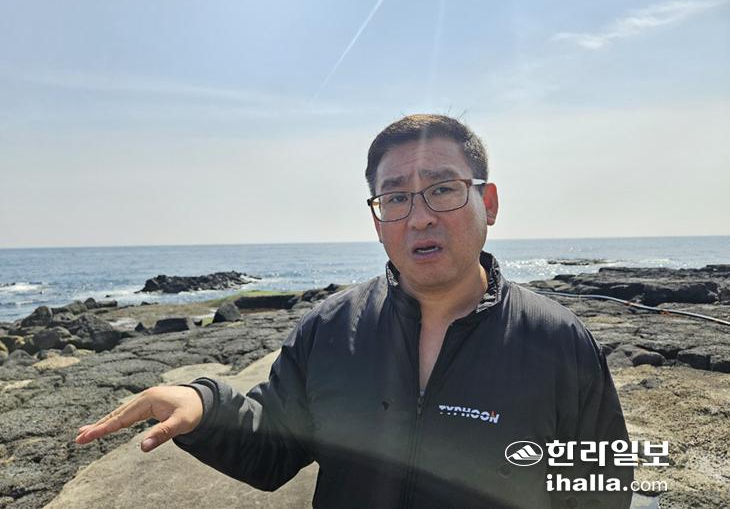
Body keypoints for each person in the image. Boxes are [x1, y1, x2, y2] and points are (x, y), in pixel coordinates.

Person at [77, 114, 633, 508]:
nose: (419, 216)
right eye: (396, 197)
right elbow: (274, 448)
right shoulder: (331, 329)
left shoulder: (558, 342)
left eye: (442, 189)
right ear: (377, 219)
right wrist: (205, 406)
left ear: (487, 203)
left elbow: (601, 485)